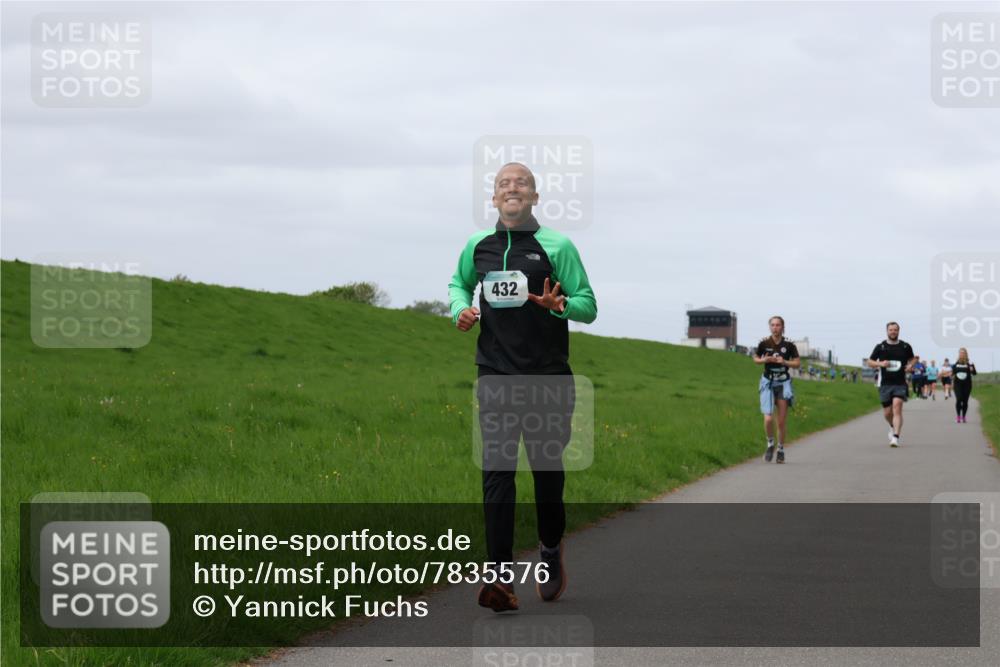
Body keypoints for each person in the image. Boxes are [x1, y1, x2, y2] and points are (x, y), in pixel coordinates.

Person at [449, 162, 597, 612]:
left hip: (547, 379)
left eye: (522, 183)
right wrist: (461, 309)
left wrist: (560, 305)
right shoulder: (478, 246)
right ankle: (499, 580)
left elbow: (588, 306)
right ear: (493, 200)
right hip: (494, 375)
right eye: (502, 184)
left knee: (546, 475)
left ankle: (550, 548)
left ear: (534, 197)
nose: (511, 188)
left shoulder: (557, 246)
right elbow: (459, 284)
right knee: (496, 473)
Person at [753, 316, 801, 463]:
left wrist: (784, 361)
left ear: (783, 327)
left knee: (780, 421)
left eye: (778, 325)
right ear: (769, 327)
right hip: (768, 382)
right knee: (768, 419)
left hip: (782, 383)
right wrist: (764, 360)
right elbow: (755, 359)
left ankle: (780, 449)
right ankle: (770, 443)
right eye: (773, 325)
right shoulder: (764, 342)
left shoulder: (789, 344)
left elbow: (797, 363)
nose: (775, 327)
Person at [866, 322, 915, 447]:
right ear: (887, 331)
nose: (893, 332)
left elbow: (913, 358)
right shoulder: (881, 346)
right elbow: (869, 362)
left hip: (900, 383)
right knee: (887, 413)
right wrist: (880, 364)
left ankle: (895, 437)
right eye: (891, 330)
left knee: (897, 407)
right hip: (885, 384)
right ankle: (892, 426)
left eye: (895, 330)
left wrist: (910, 365)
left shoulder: (905, 346)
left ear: (899, 331)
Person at [952, 348, 977, 423]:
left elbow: (974, 373)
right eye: (960, 353)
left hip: (967, 385)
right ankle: (958, 416)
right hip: (957, 384)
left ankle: (964, 416)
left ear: (966, 354)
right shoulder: (955, 363)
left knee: (965, 401)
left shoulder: (970, 363)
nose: (961, 354)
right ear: (959, 354)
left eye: (963, 353)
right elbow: (953, 373)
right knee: (959, 399)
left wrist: (972, 369)